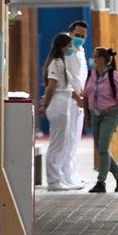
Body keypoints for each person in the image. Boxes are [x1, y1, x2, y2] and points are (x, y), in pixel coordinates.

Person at [84, 47, 118, 193]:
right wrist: (87, 116)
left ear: (102, 59)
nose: (92, 59)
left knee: (102, 147)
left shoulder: (113, 75)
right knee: (100, 149)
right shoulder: (91, 74)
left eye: (95, 56)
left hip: (111, 114)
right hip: (94, 113)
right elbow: (86, 95)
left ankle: (101, 182)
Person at [40, 33, 80, 191]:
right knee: (57, 143)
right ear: (62, 46)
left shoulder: (60, 62)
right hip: (58, 103)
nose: (70, 48)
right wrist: (45, 106)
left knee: (62, 143)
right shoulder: (56, 63)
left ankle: (59, 177)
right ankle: (53, 180)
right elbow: (51, 87)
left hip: (64, 102)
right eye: (69, 45)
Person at [62, 20, 89, 189]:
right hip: (68, 98)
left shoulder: (81, 50)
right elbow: (65, 77)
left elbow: (81, 76)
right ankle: (64, 175)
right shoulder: (66, 51)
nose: (80, 38)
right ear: (70, 33)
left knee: (75, 139)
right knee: (67, 138)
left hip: (80, 98)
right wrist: (75, 95)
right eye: (77, 35)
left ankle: (72, 172)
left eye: (83, 36)